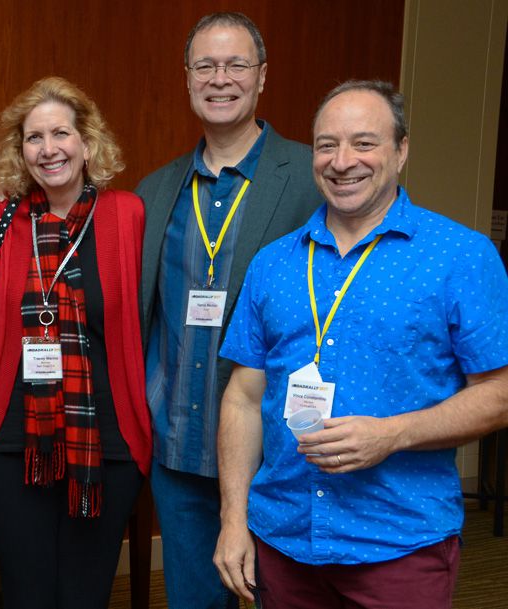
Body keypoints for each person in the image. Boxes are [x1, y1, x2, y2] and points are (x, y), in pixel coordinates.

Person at [214, 80, 508, 609]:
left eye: (364, 143)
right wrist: (233, 519)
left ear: (401, 150)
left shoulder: (461, 256)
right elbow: (242, 398)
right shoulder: (273, 263)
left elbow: (500, 393)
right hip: (283, 540)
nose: (342, 161)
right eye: (327, 145)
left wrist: (393, 434)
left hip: (399, 545)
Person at [135, 13, 323, 608]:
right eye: (206, 66)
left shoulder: (313, 179)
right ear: (188, 78)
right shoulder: (155, 191)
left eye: (236, 65)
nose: (220, 79)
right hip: (178, 451)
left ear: (262, 77)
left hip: (280, 457)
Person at [0, 76, 152, 609]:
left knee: (84, 596)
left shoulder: (128, 216)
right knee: (25, 594)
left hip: (106, 442)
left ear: (87, 144)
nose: (48, 149)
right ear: (20, 151)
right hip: (12, 442)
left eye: (61, 134)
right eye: (34, 137)